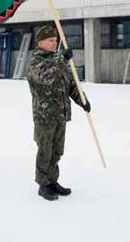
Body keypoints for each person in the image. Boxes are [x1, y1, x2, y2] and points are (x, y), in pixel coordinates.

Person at [27, 25, 91, 201]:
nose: (55, 43)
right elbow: (45, 77)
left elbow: (71, 83)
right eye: (51, 40)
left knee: (57, 151)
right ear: (40, 42)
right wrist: (61, 60)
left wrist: (82, 100)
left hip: (60, 114)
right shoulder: (35, 61)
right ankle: (43, 184)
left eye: (56, 40)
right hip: (44, 116)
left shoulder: (59, 59)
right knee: (45, 151)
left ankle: (52, 181)